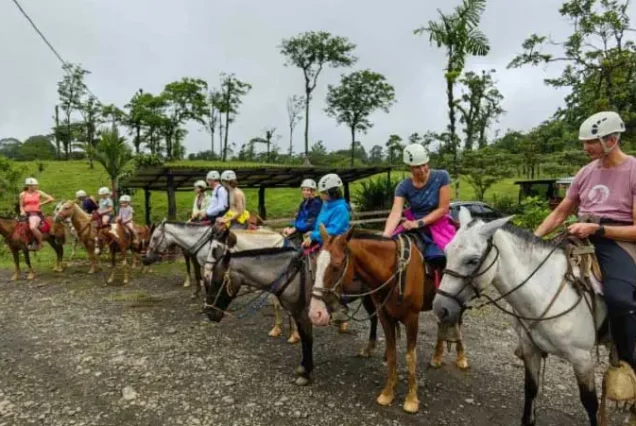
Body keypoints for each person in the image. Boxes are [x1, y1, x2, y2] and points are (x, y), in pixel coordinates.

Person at [534, 111, 636, 373]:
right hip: (579, 233)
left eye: (591, 142)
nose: (585, 147)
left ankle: (627, 362)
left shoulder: (633, 170)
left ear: (612, 140)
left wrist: (598, 229)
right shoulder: (585, 172)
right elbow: (560, 212)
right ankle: (534, 337)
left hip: (616, 241)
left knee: (620, 299)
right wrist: (534, 239)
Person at [382, 144, 455, 269]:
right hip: (415, 226)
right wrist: (385, 237)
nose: (422, 169)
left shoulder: (442, 176)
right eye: (417, 167)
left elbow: (443, 209)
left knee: (451, 255)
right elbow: (395, 212)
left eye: (424, 165)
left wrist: (418, 223)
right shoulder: (403, 187)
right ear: (410, 167)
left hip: (439, 224)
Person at [302, 174, 351, 248]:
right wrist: (313, 232)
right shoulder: (326, 205)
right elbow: (321, 224)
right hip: (323, 241)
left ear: (329, 193)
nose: (320, 194)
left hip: (335, 245)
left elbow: (333, 231)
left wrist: (313, 236)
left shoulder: (341, 208)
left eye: (322, 192)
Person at [19, 177, 55, 250]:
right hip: (26, 214)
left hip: (35, 213)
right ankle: (26, 243)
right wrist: (22, 211)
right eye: (33, 185)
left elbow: (51, 198)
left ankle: (40, 242)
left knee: (32, 227)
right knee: (18, 227)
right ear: (28, 186)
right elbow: (21, 205)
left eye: (36, 185)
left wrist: (41, 203)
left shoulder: (39, 192)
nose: (35, 186)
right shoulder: (22, 194)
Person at [283, 179, 322, 244]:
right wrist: (290, 226)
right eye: (303, 190)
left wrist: (295, 228)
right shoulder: (304, 203)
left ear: (313, 191)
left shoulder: (316, 203)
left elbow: (310, 223)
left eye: (308, 190)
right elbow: (299, 218)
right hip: (302, 229)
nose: (305, 192)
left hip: (311, 232)